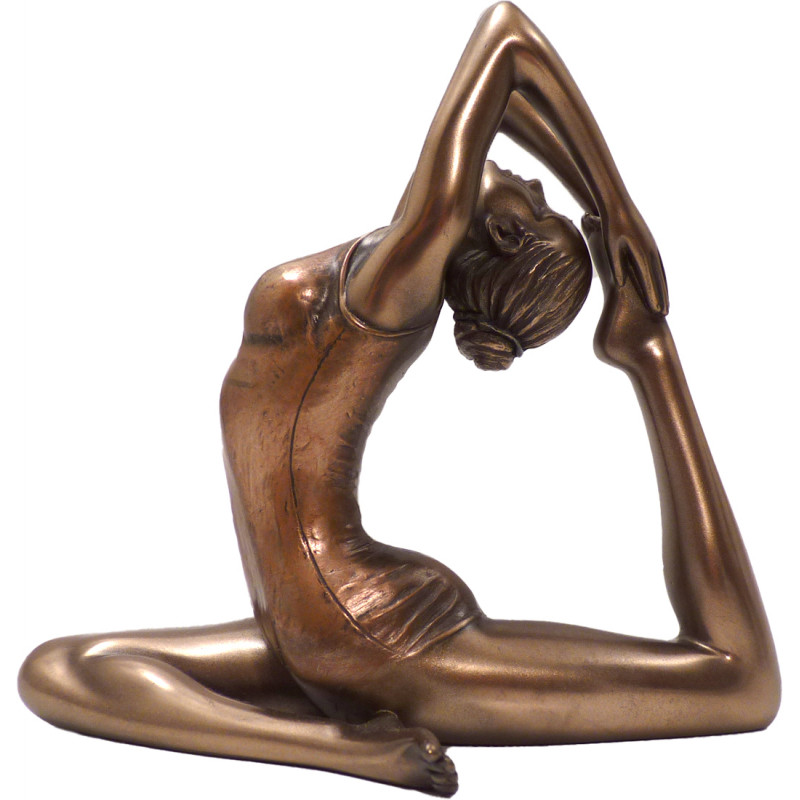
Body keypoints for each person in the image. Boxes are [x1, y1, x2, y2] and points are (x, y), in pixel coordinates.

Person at [18, 4, 779, 796]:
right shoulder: (386, 270)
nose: (530, 180)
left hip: (368, 633)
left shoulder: (393, 285)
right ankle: (336, 735)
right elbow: (504, 106)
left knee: (734, 679)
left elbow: (506, 38)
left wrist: (614, 210)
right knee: (61, 667)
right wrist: (592, 209)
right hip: (321, 624)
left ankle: (649, 362)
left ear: (503, 237)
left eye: (537, 206)